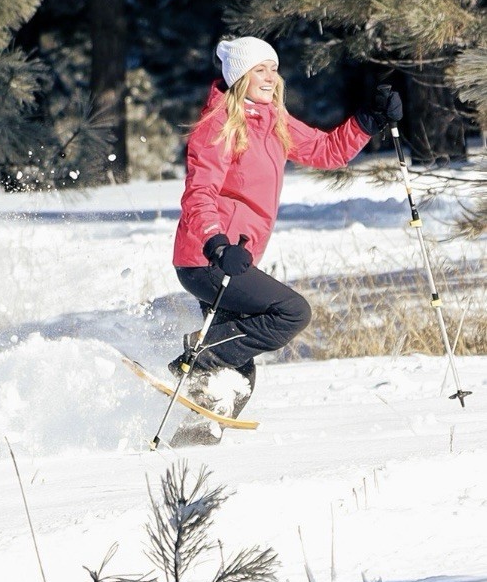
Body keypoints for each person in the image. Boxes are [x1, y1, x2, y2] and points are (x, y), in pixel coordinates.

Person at [170, 36, 402, 444]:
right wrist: (217, 243)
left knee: (237, 379)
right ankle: (200, 353)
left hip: (234, 260)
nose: (270, 77)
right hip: (207, 260)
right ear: (240, 75)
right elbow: (199, 193)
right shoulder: (218, 124)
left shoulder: (273, 120)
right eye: (259, 69)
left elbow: (327, 151)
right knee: (291, 312)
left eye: (273, 68)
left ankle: (193, 441)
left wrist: (368, 120)